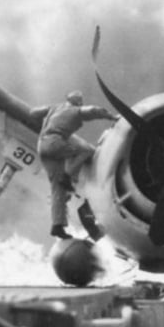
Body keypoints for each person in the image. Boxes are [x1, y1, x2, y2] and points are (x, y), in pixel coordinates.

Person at [31, 91, 116, 239]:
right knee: (87, 150)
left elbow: (33, 113)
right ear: (78, 102)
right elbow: (94, 111)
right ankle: (68, 176)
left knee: (58, 190)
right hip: (55, 143)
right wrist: (113, 117)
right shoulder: (76, 110)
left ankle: (57, 226)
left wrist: (47, 121)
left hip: (42, 145)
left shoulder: (55, 107)